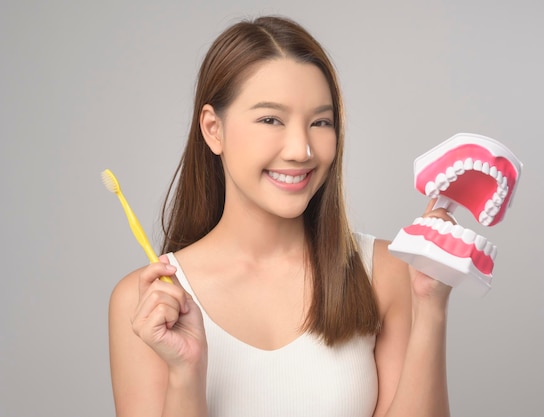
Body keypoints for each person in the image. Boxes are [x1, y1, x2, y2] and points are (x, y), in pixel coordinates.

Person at [109, 15, 453, 417]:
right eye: (271, 119)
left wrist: (430, 309)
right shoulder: (147, 303)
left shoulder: (387, 272)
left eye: (320, 122)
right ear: (212, 129)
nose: (301, 150)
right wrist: (185, 375)